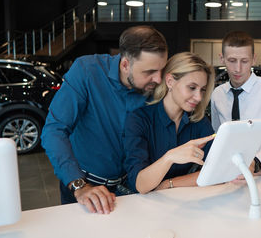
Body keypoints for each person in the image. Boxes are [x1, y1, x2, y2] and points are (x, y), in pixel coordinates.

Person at [41, 25, 168, 214]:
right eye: (149, 71)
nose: (158, 79)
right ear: (125, 65)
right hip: (83, 186)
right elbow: (54, 130)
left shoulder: (154, 85)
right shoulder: (86, 71)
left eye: (162, 70)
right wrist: (79, 186)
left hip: (130, 187)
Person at [123, 52, 216, 194]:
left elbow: (215, 172)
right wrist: (170, 157)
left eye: (202, 90)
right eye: (192, 87)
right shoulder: (139, 119)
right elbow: (140, 184)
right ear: (170, 81)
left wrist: (169, 184)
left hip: (182, 200)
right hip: (143, 205)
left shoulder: (199, 121)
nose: (198, 97)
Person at [210, 31, 261, 176]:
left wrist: (256, 163)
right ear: (222, 59)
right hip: (227, 174)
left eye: (244, 61)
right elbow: (218, 136)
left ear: (254, 59)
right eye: (232, 60)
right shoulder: (217, 94)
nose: (238, 69)